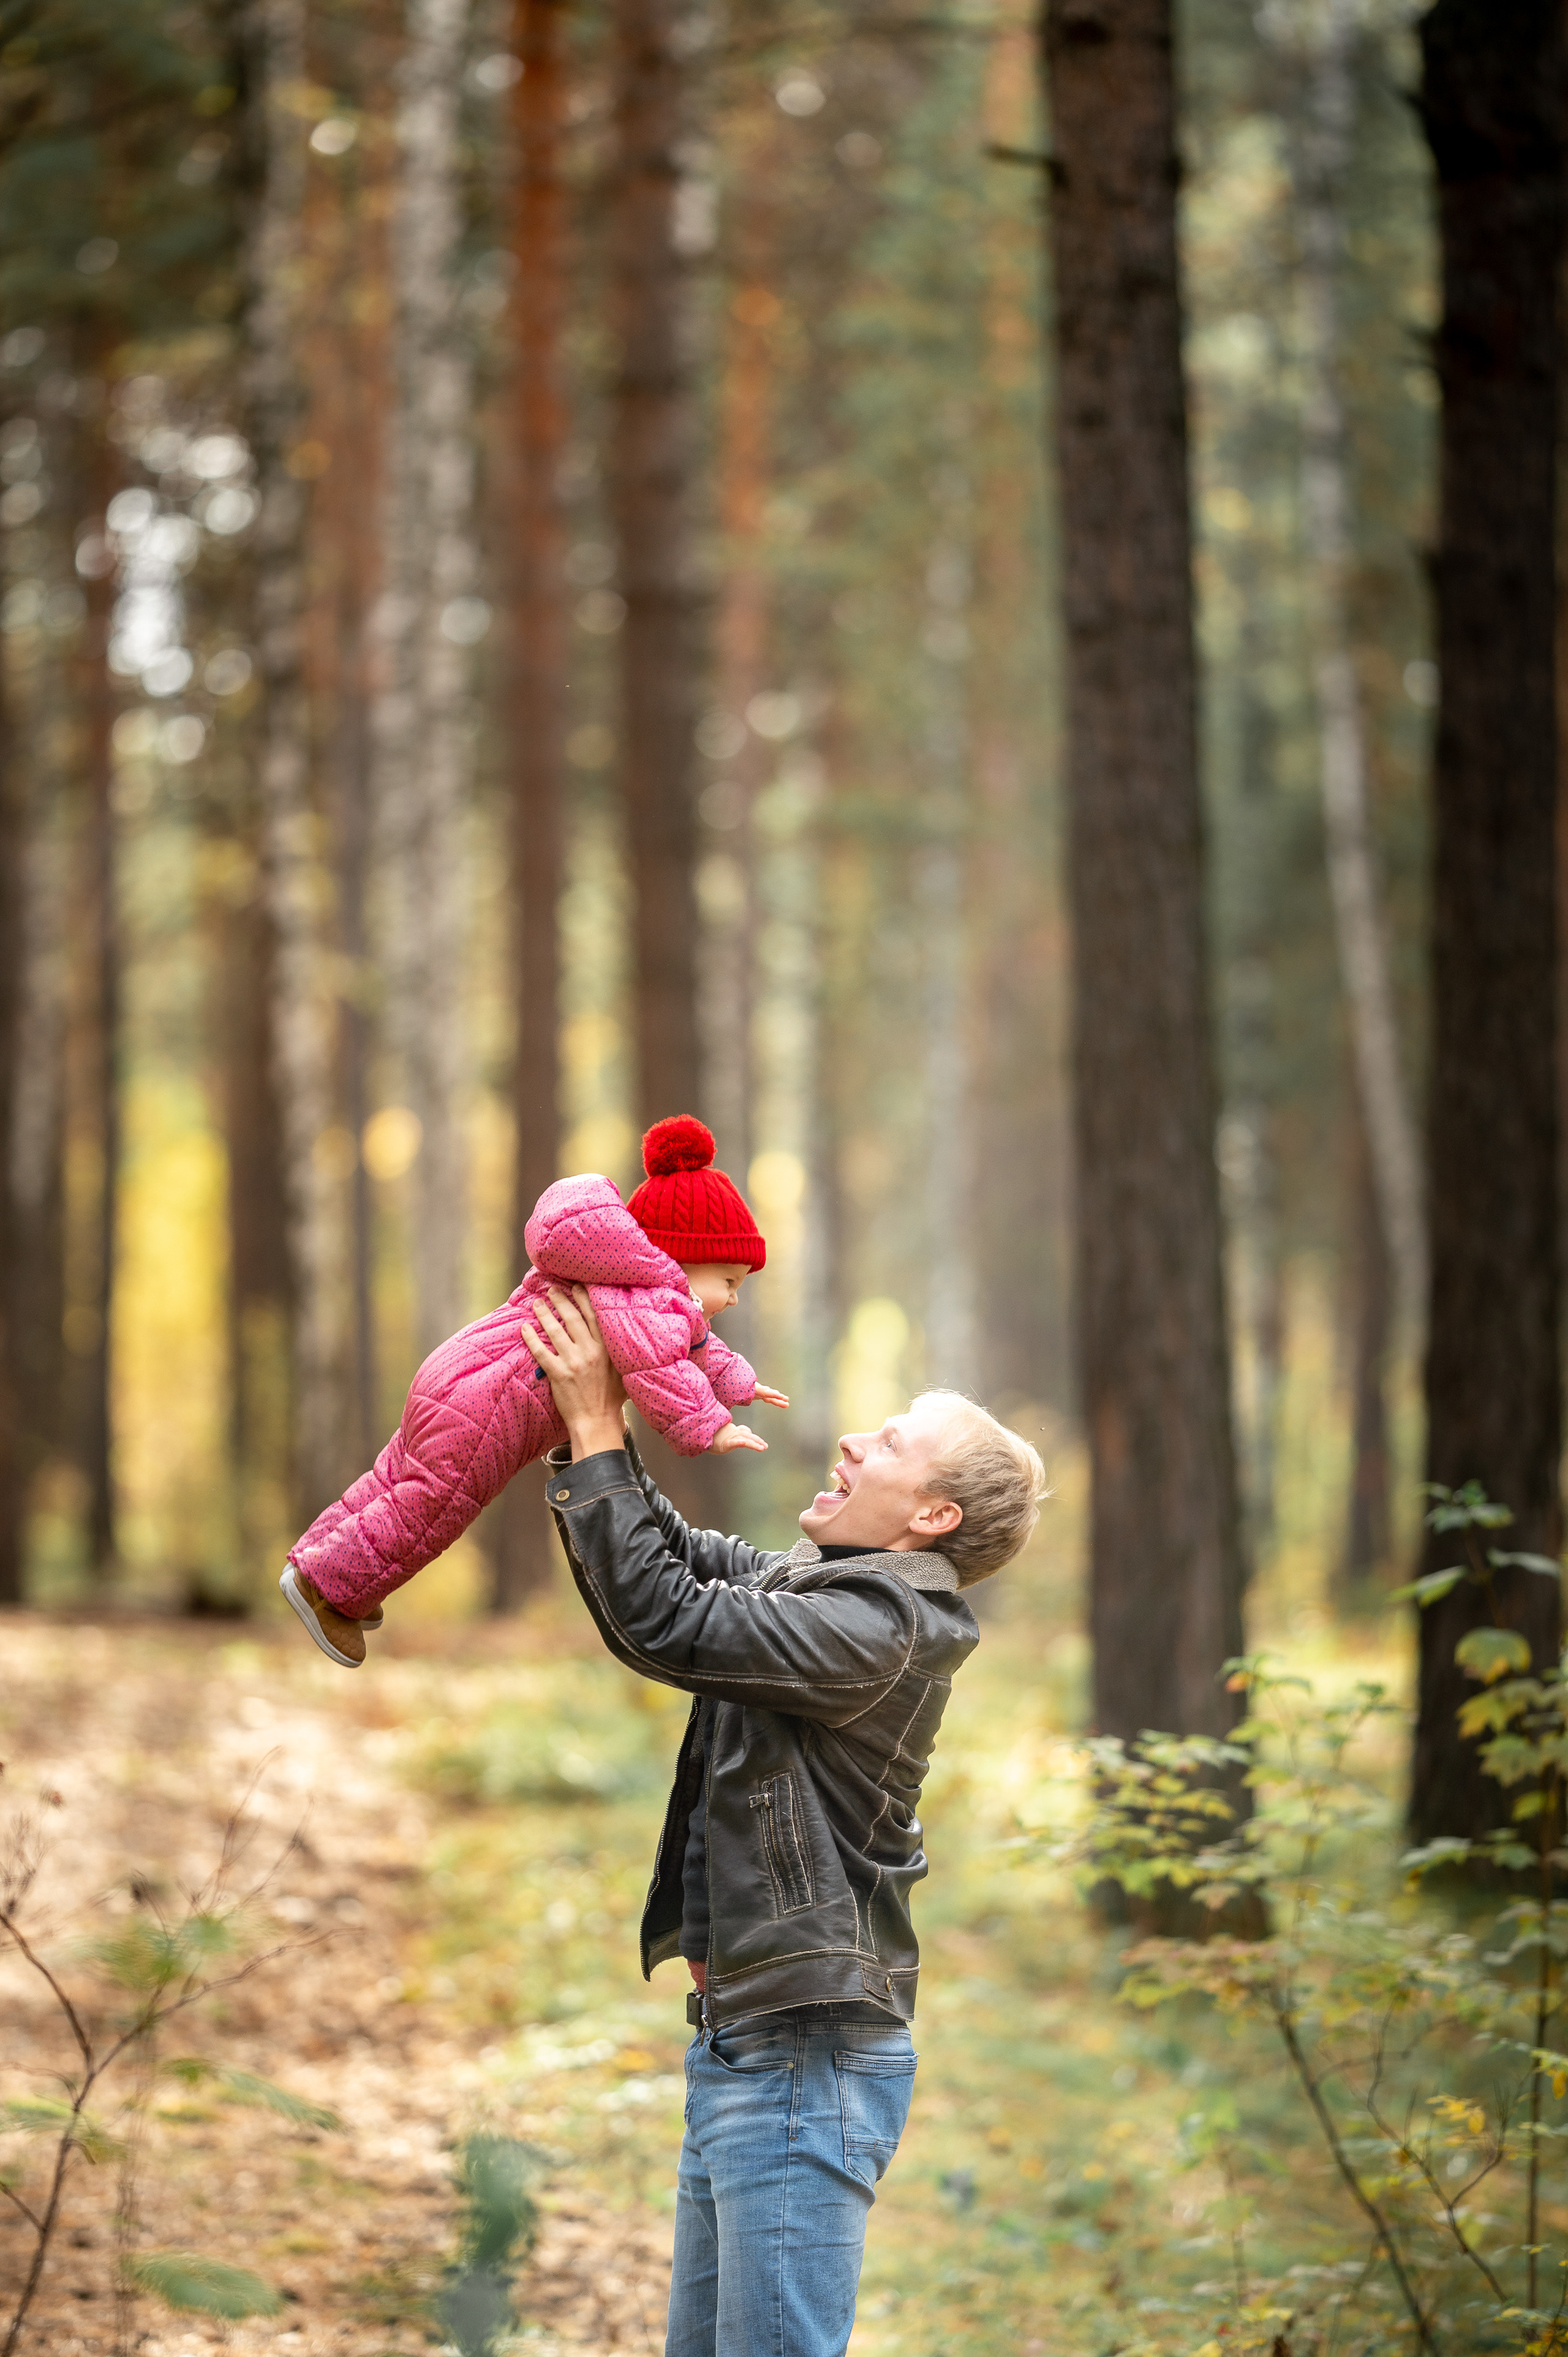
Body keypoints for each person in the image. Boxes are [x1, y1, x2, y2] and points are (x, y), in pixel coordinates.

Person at [522, 1281, 1047, 2357]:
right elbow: (671, 1556)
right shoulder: (828, 1589)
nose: (851, 1439)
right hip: (749, 2049)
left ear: (930, 1516)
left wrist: (595, 1430)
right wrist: (589, 1427)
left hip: (806, 2062)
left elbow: (665, 1619)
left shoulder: (882, 1626)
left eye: (890, 1440)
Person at [279, 1117, 788, 1666]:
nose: (734, 1299)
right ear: (683, 1261)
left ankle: (316, 1558)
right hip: (497, 1403)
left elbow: (695, 1347)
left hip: (463, 1371)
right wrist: (710, 1429)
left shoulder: (622, 1281)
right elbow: (665, 1368)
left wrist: (739, 1381)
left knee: (396, 1475)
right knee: (436, 1503)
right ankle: (337, 1592)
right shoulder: (652, 1300)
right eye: (729, 1282)